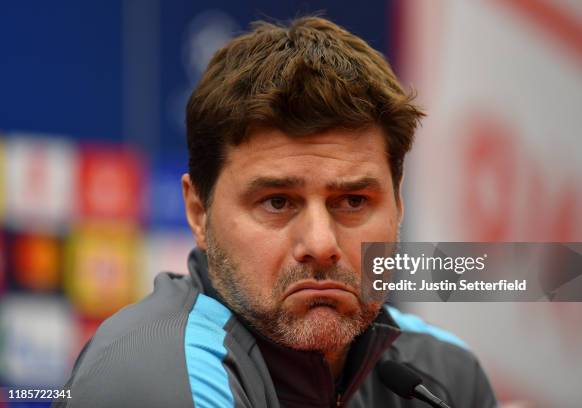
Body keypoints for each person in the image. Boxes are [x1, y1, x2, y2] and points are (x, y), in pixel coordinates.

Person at [54, 16, 497, 408]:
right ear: (198, 212)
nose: (321, 245)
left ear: (399, 205)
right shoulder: (157, 376)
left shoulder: (446, 372)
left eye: (353, 201)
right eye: (278, 202)